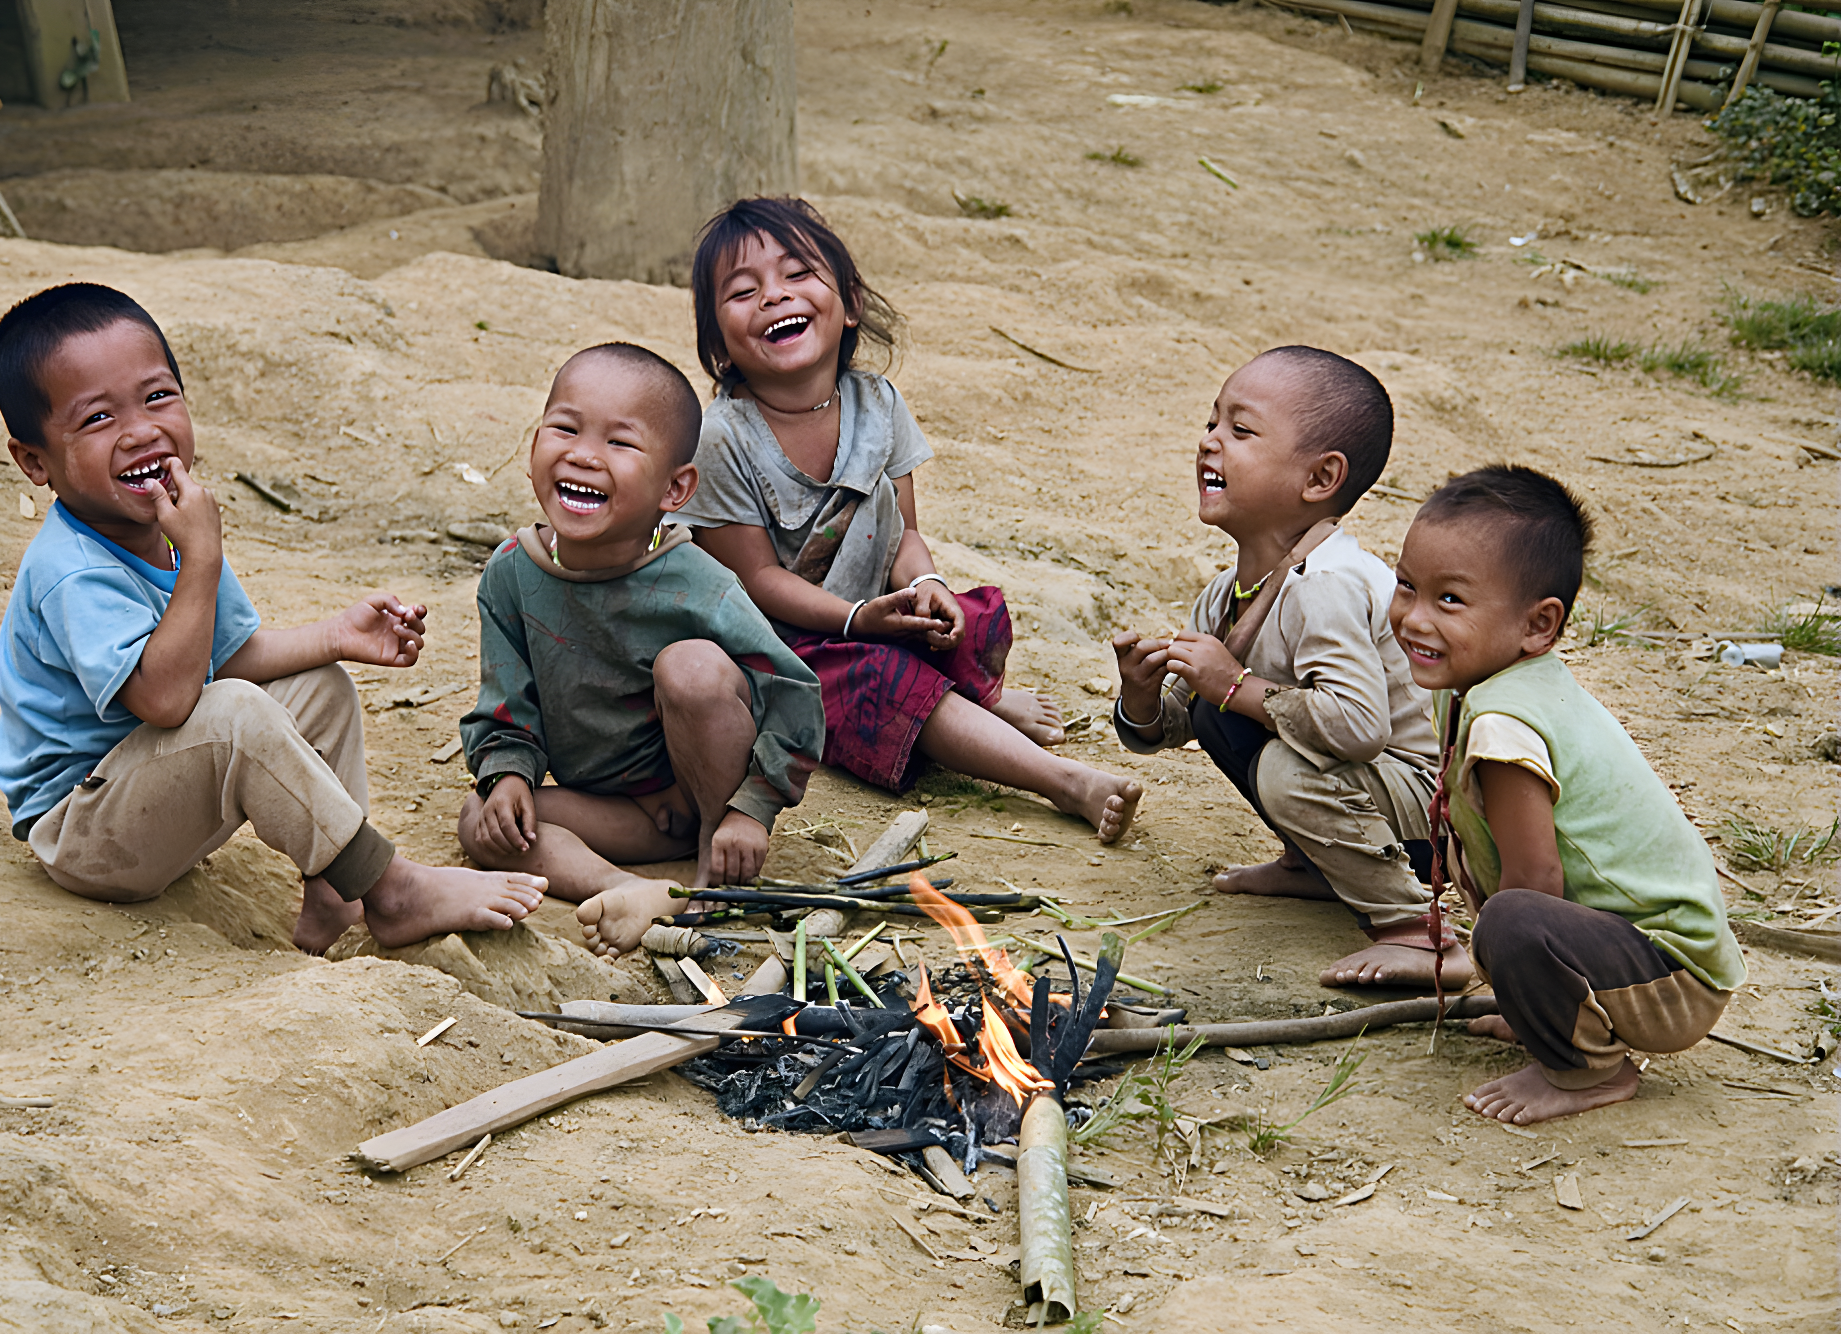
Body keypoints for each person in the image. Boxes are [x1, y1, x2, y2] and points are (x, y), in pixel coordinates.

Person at [0, 283, 544, 956]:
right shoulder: (74, 569)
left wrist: (335, 635)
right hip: (84, 830)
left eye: (158, 396)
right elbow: (168, 699)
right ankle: (388, 889)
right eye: (98, 418)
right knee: (236, 715)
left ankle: (334, 894)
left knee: (322, 687)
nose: (141, 431)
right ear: (35, 461)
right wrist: (201, 556)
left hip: (152, 795)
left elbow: (228, 655)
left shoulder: (168, 529)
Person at [680, 196, 1142, 843]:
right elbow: (753, 578)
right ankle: (1062, 780)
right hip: (782, 651)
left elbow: (905, 534)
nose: (773, 297)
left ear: (851, 303)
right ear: (716, 340)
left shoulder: (878, 403)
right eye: (742, 290)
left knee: (970, 617)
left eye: (797, 274)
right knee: (882, 677)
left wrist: (926, 587)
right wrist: (853, 621)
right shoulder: (724, 437)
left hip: (872, 618)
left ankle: (969, 705)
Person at [1390, 466, 1745, 1124]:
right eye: (1406, 586)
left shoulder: (1504, 725)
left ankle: (1587, 1071)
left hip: (1669, 976)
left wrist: (1525, 982)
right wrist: (1528, 999)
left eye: (1450, 601)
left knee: (1512, 920)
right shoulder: (1499, 683)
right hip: (1644, 952)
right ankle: (1562, 1014)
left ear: (1538, 624)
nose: (1413, 617)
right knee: (1514, 921)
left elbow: (1534, 885)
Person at [456, 343, 826, 959]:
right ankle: (633, 892)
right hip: (611, 818)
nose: (583, 454)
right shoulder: (511, 574)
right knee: (480, 820)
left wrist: (750, 811)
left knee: (691, 667)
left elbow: (793, 689)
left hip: (697, 796)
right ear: (533, 447)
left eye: (620, 444)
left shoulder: (697, 582)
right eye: (565, 429)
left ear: (674, 488)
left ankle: (711, 860)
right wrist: (508, 774)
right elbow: (505, 703)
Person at [1110, 347, 1464, 988]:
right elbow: (1180, 720)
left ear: (1321, 478)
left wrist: (1234, 683)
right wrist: (1140, 695)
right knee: (1219, 714)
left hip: (1431, 813)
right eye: (1212, 422)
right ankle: (1314, 865)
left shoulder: (1326, 585)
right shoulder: (1228, 592)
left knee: (1281, 761)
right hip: (1364, 791)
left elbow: (1358, 728)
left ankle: (1416, 930)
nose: (1210, 441)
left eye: (1240, 431)